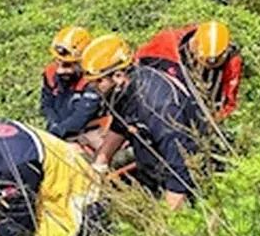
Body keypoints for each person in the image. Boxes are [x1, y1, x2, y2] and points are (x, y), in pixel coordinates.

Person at [82, 34, 206, 211]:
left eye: (99, 81)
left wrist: (166, 221)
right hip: (151, 167)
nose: (95, 87)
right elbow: (121, 123)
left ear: (117, 75)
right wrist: (100, 163)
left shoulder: (159, 106)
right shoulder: (124, 89)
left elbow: (181, 165)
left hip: (184, 179)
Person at [136, 19, 244, 122]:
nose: (210, 65)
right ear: (194, 47)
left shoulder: (231, 63)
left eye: (216, 61)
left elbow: (228, 103)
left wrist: (212, 122)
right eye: (208, 61)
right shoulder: (168, 43)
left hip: (200, 114)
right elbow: (137, 64)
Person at [39, 26, 102, 140]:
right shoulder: (50, 74)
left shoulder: (94, 81)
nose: (60, 70)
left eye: (67, 65)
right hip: (58, 131)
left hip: (86, 134)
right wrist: (53, 124)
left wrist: (57, 132)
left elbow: (81, 116)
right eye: (58, 62)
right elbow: (46, 105)